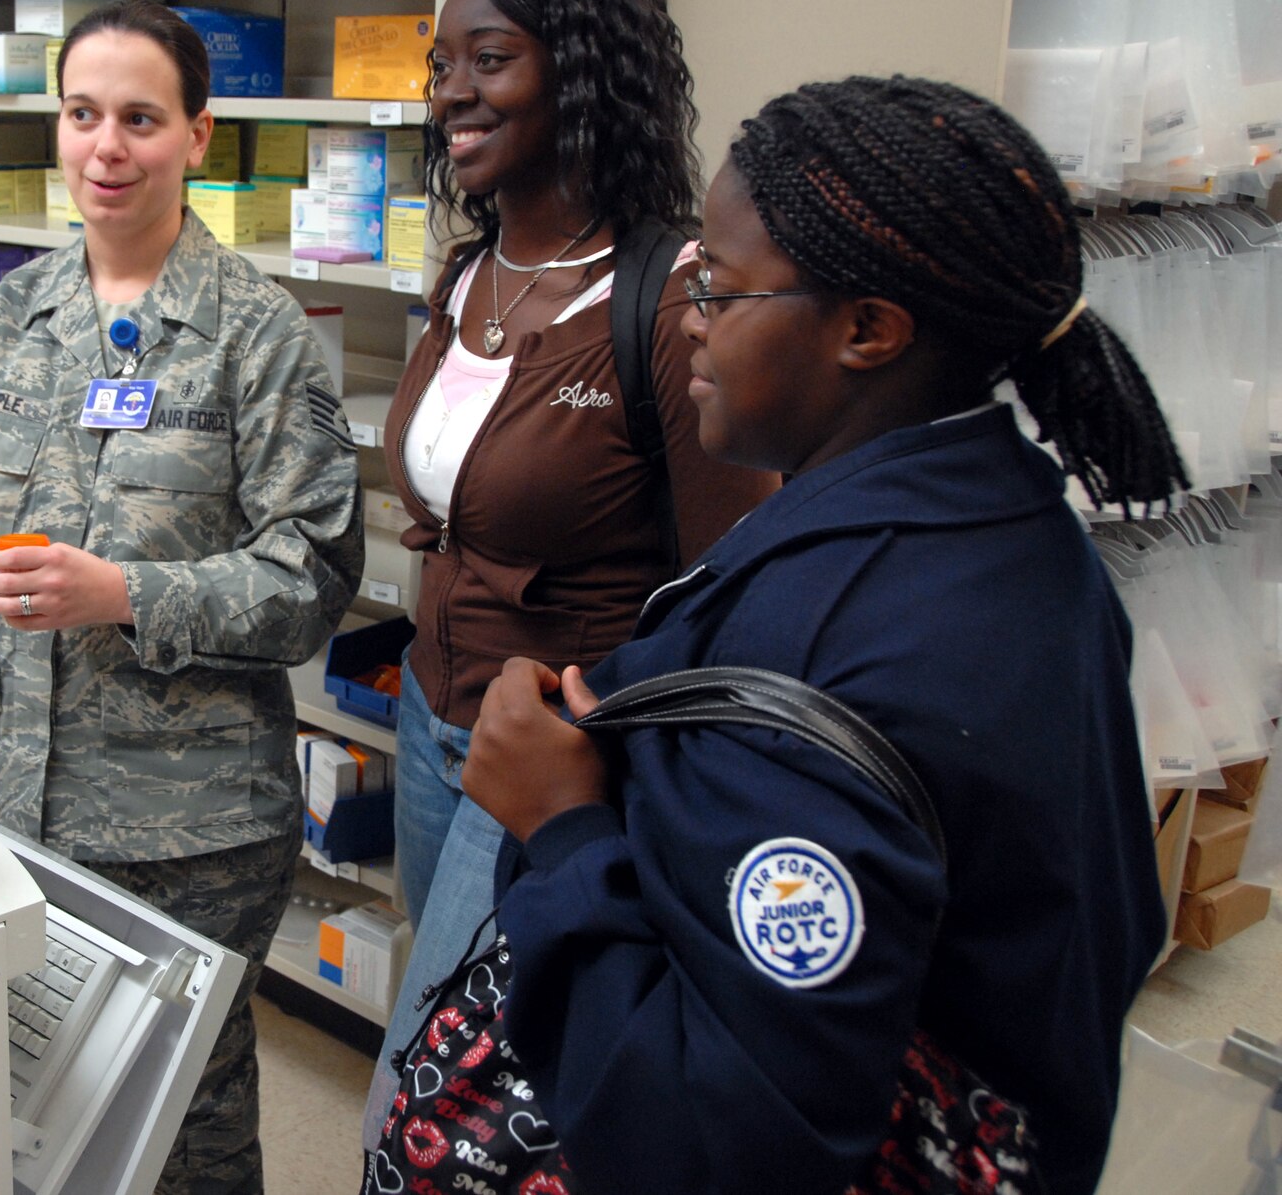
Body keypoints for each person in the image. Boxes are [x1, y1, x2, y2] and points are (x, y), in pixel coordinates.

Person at [451, 75, 1181, 1194]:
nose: (687, 314)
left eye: (720, 289)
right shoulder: (1012, 524)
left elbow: (705, 1140)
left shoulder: (835, 648)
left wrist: (564, 829)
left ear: (867, 330)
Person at [0, 0, 365, 1195]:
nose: (106, 148)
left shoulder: (256, 335)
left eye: (140, 118)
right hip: (13, 800)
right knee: (39, 1110)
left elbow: (311, 581)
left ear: (198, 132)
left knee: (179, 1125)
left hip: (186, 828)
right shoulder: (7, 321)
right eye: (82, 115)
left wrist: (123, 592)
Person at [365, 0, 777, 1135]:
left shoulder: (666, 299)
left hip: (551, 748)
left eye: (486, 58)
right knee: (466, 1054)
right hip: (428, 715)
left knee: (423, 1093)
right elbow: (466, 474)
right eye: (440, 63)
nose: (450, 90)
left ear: (583, 71)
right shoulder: (465, 273)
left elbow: (719, 587)